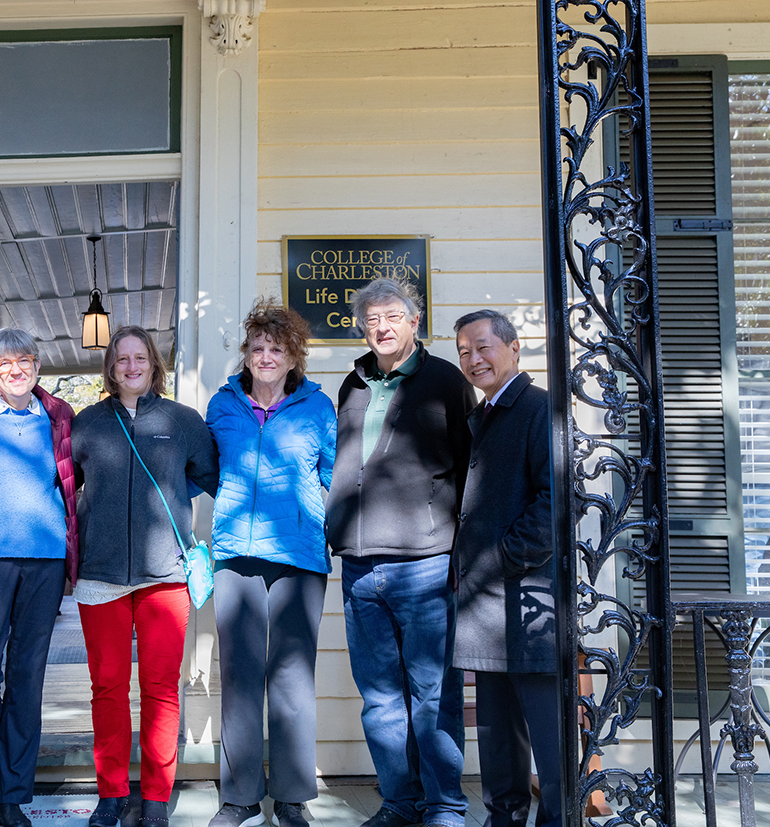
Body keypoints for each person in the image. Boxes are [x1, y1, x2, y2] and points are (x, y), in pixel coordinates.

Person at [325, 279, 475, 827]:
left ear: (415, 322)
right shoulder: (354, 382)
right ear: (362, 327)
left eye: (393, 316)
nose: (382, 327)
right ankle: (400, 802)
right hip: (360, 566)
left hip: (426, 563)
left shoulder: (445, 383)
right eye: (372, 319)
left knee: (434, 693)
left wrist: (461, 550)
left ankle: (444, 806)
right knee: (380, 699)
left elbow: (470, 468)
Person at [71, 326, 219, 827]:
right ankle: (111, 794)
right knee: (108, 689)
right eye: (121, 359)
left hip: (165, 577)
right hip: (100, 577)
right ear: (110, 367)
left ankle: (156, 797)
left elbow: (207, 472)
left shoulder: (182, 421)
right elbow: (67, 483)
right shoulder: (86, 423)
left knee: (160, 690)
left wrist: (173, 503)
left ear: (154, 365)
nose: (131, 366)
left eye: (140, 358)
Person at [204, 300, 335, 827]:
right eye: (257, 347)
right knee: (239, 677)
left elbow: (331, 473)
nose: (265, 356)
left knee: (292, 678)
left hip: (299, 559)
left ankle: (290, 798)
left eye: (276, 348)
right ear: (247, 353)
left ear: (292, 355)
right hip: (236, 555)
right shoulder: (223, 405)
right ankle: (238, 798)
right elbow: (208, 468)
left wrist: (305, 514)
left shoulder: (317, 408)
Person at [0, 328, 79, 827]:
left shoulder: (59, 415)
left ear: (38, 366)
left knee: (26, 679)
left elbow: (72, 481)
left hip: (44, 564)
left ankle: (12, 795)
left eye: (24, 360)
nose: (16, 370)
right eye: (5, 364)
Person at [451, 310, 559, 827]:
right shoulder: (485, 414)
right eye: (464, 352)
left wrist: (498, 560)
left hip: (528, 600)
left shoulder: (538, 408)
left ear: (514, 349)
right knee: (497, 736)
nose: (475, 359)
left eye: (484, 346)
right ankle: (504, 819)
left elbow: (555, 503)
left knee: (548, 735)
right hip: (485, 608)